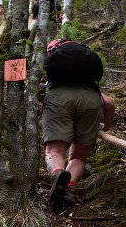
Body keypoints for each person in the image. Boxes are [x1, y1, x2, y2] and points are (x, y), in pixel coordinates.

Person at [42, 39, 114, 213]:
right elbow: (109, 103)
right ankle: (69, 185)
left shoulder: (56, 64)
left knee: (54, 150)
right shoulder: (87, 68)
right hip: (91, 100)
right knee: (79, 157)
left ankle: (59, 173)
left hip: (59, 97)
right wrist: (105, 127)